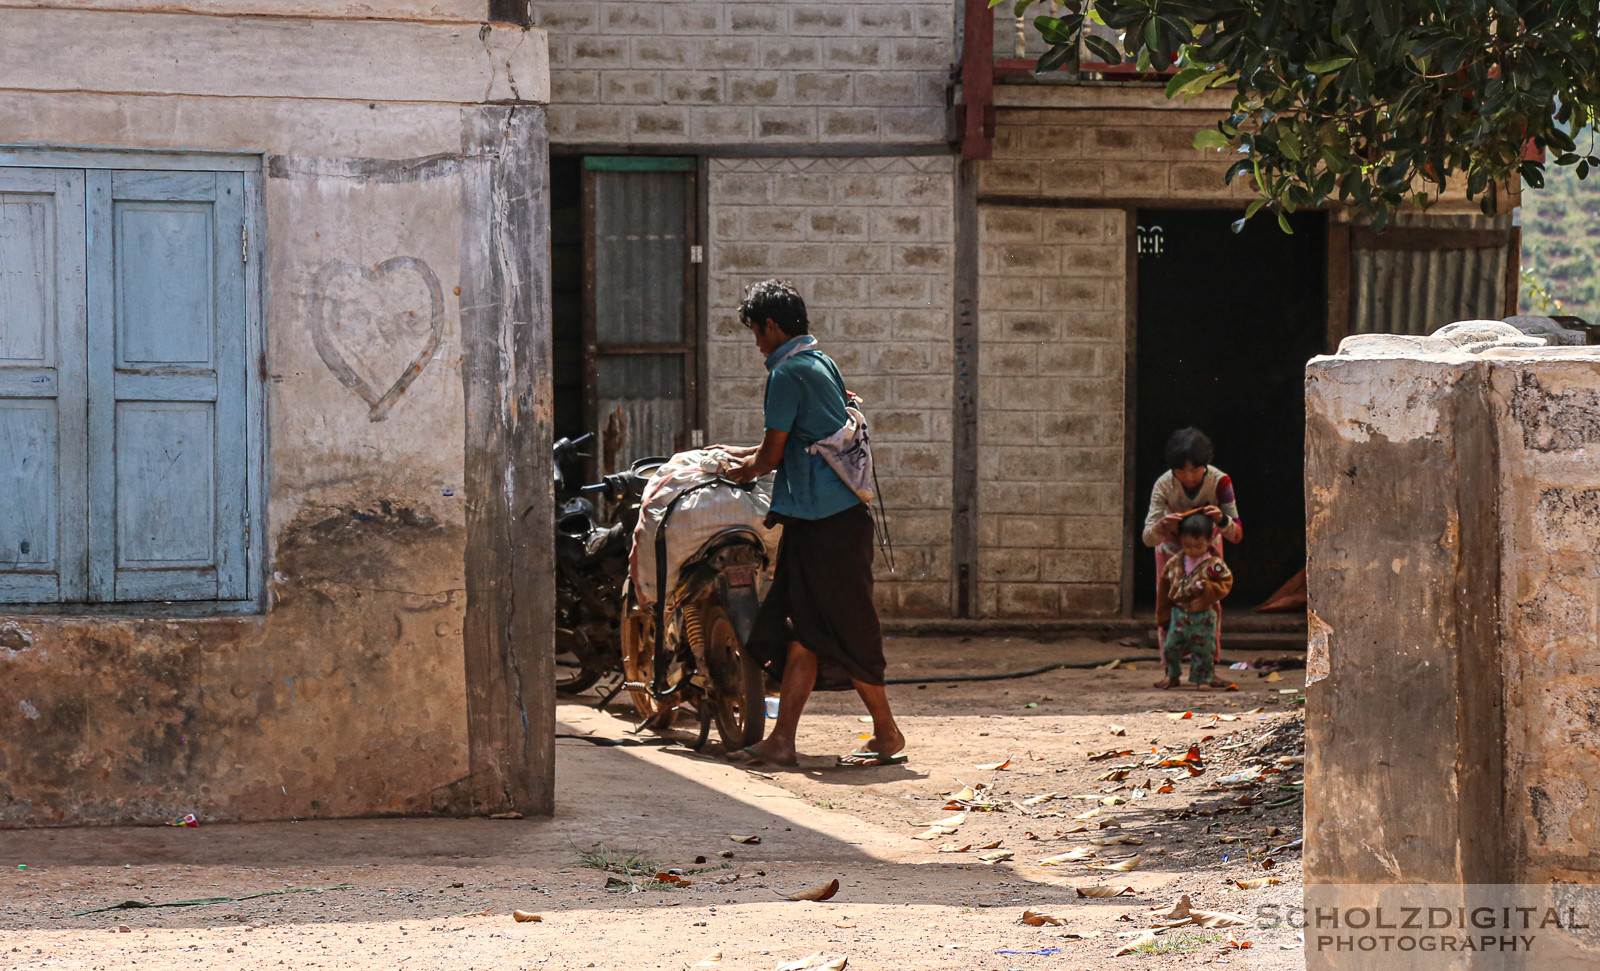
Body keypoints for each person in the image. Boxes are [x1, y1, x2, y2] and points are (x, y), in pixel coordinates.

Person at [720, 279, 904, 768]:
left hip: (829, 527)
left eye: (757, 331)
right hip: (822, 523)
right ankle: (783, 740)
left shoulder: (786, 373)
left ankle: (887, 732)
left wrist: (742, 470)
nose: (756, 341)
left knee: (849, 628)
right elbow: (802, 437)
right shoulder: (820, 362)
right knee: (801, 629)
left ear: (773, 327)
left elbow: (773, 453)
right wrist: (749, 456)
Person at [1141, 427, 1241, 659]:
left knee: (1210, 600)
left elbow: (1236, 534)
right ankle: (1170, 666)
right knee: (1167, 601)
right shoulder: (1164, 485)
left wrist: (1221, 519)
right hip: (1170, 547)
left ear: (1205, 465)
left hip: (1208, 548)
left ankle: (1209, 663)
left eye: (1195, 470)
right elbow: (1148, 537)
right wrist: (1162, 526)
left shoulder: (1220, 482)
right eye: (1180, 471)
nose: (1188, 477)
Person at [1154, 513, 1235, 690]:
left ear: (1209, 541)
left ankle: (1203, 680)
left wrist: (1207, 589)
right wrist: (1163, 615)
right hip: (1179, 614)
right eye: (1187, 546)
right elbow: (1164, 588)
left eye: (1198, 546)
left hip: (1204, 616)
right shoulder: (1175, 563)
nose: (1192, 550)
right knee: (1171, 647)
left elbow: (1226, 583)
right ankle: (1172, 675)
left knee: (1204, 649)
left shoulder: (1214, 565)